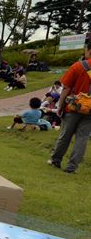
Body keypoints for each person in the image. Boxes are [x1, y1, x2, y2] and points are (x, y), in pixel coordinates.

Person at [48, 40, 91, 173]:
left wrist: (60, 106)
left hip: (73, 107)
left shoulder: (78, 66)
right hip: (90, 111)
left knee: (65, 135)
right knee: (82, 138)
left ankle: (56, 160)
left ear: (88, 50)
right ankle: (72, 167)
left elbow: (65, 89)